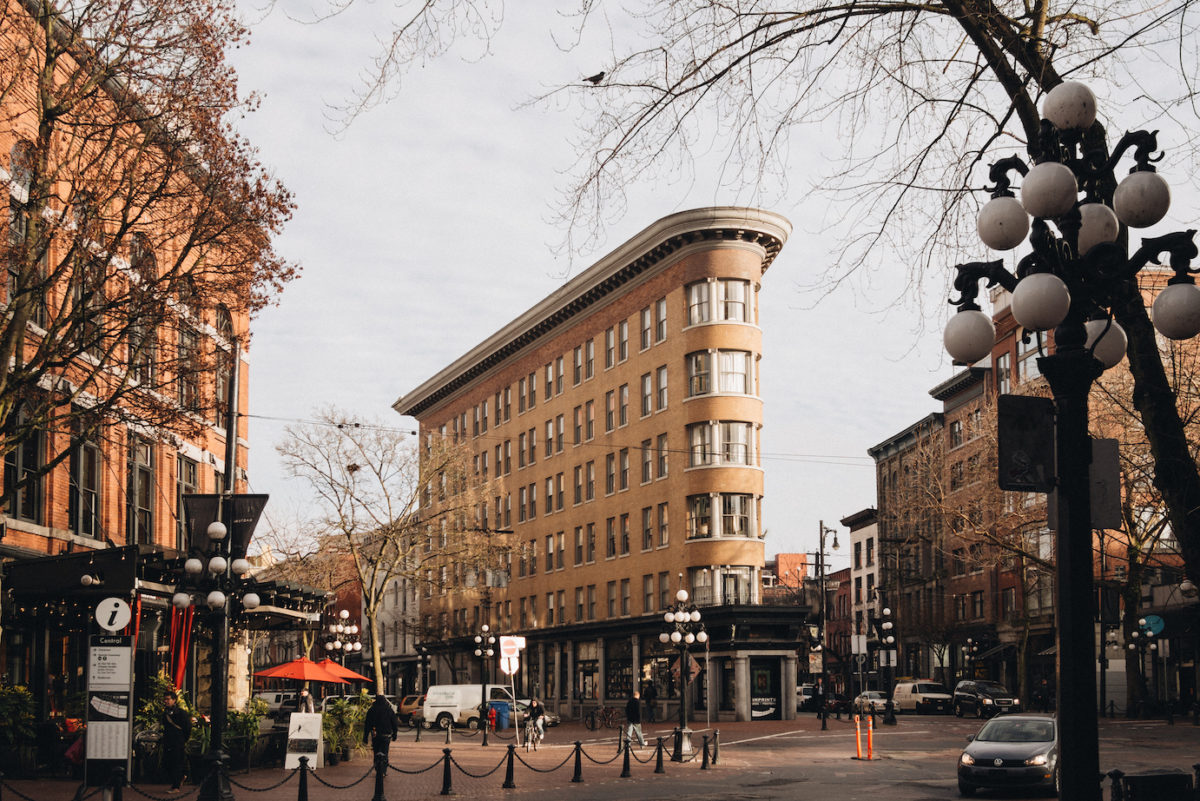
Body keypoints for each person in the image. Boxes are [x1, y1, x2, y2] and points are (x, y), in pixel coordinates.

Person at [161, 691, 191, 793]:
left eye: (168, 699)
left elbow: (187, 728)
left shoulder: (182, 713)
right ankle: (183, 775)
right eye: (165, 699)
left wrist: (183, 739)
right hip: (168, 741)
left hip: (178, 742)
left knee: (176, 763)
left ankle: (175, 787)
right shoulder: (165, 713)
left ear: (174, 700)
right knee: (168, 763)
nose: (166, 701)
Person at [363, 694, 399, 770]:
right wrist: (395, 734)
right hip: (386, 735)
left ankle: (377, 768)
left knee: (376, 752)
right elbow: (394, 723)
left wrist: (365, 737)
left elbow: (367, 724)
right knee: (385, 752)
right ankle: (384, 770)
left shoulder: (372, 710)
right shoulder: (389, 710)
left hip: (375, 735)